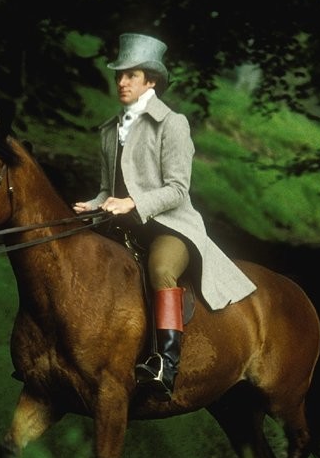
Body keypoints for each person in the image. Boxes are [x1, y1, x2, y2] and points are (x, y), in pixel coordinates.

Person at [73, 32, 257, 399]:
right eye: (119, 75)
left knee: (160, 269)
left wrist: (133, 204)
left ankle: (165, 363)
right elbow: (108, 189)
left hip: (170, 226)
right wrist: (95, 203)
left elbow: (177, 190)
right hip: (124, 224)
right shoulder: (111, 129)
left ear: (151, 81)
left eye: (131, 75)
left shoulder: (173, 124)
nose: (122, 82)